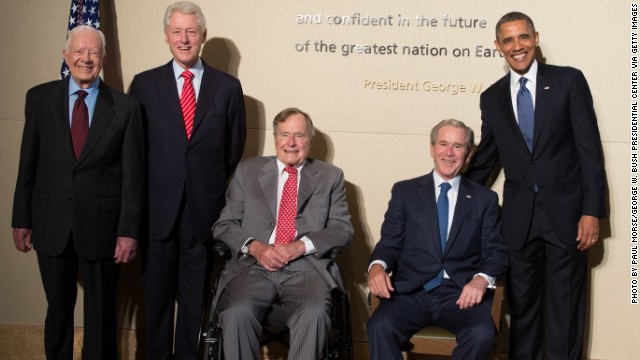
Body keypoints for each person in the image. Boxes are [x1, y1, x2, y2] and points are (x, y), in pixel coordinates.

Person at [465, 11, 605, 360]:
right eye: (508, 40)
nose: (517, 46)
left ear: (536, 38)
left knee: (565, 310)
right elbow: (486, 159)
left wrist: (592, 212)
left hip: (567, 217)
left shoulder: (569, 81)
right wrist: (451, 190)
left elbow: (589, 150)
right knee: (524, 311)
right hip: (519, 220)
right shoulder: (492, 97)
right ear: (498, 47)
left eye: (523, 37)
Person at [11, 25, 144, 359]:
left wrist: (128, 230)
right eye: (80, 51)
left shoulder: (126, 108)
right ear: (66, 56)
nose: (86, 58)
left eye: (94, 52)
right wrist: (21, 219)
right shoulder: (39, 99)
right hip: (50, 220)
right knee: (58, 309)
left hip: (103, 224)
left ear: (103, 59)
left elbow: (133, 176)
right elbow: (27, 163)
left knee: (100, 314)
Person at [128, 1, 246, 359]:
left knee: (194, 303)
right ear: (166, 37)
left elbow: (232, 149)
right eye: (177, 31)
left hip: (202, 213)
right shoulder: (144, 85)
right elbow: (134, 152)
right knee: (158, 301)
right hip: (157, 213)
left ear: (203, 36)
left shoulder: (227, 87)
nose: (184, 39)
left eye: (191, 32)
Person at [211, 107, 353, 359]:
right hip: (253, 266)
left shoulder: (330, 176)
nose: (291, 143)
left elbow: (342, 229)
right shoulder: (248, 171)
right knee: (236, 313)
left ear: (309, 140)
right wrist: (256, 247)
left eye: (298, 135)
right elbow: (224, 225)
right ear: (274, 138)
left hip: (306, 268)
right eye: (284, 135)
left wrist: (300, 246)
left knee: (314, 313)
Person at [367, 119, 508, 360]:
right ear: (432, 148)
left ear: (469, 153)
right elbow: (389, 243)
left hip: (460, 294)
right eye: (443, 144)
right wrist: (377, 268)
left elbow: (496, 253)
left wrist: (481, 280)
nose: (449, 153)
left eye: (458, 146)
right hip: (412, 293)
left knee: (482, 334)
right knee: (379, 327)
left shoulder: (484, 199)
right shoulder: (405, 192)